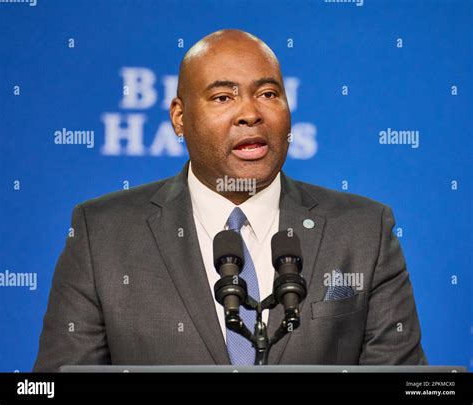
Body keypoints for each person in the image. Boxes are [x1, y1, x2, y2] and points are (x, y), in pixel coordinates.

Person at [33, 29, 427, 371]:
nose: (250, 114)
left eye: (268, 93)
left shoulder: (363, 231)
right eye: (223, 97)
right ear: (179, 118)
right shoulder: (101, 234)